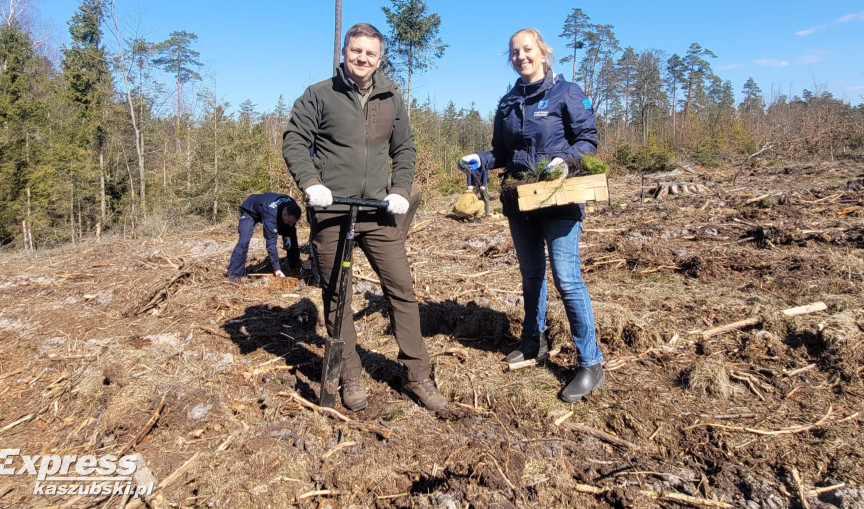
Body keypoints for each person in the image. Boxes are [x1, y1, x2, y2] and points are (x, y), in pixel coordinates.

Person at [282, 22, 448, 414]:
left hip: (377, 211)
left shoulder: (390, 96)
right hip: (331, 210)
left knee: (401, 289)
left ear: (379, 57)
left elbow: (404, 148)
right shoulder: (319, 94)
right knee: (338, 295)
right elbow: (294, 141)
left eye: (370, 53)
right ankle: (350, 372)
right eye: (356, 50)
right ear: (344, 52)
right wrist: (311, 183)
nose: (362, 58)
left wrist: (400, 189)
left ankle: (417, 375)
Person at [460, 27, 604, 402]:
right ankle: (532, 342)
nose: (521, 56)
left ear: (542, 52)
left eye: (527, 49)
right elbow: (502, 153)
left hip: (559, 198)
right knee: (531, 274)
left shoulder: (567, 92)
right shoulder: (508, 103)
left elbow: (588, 139)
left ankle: (590, 362)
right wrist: (481, 160)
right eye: (514, 52)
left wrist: (567, 160)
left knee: (566, 277)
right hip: (519, 201)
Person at [225, 193, 302, 283]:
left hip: (270, 210)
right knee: (244, 241)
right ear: (284, 214)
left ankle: (296, 268)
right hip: (250, 211)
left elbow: (290, 226)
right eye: (289, 222)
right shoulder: (271, 213)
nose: (291, 224)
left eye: (293, 222)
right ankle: (234, 273)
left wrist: (288, 235)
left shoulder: (293, 206)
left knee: (292, 237)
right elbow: (271, 243)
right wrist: (277, 269)